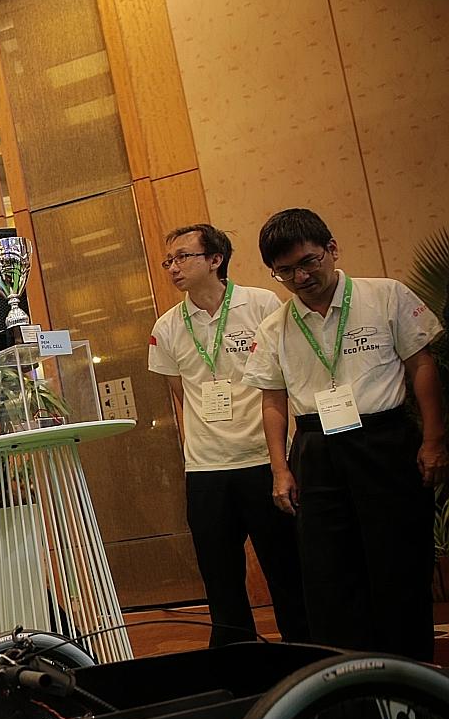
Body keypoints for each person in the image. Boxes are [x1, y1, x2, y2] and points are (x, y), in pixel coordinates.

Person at [243, 208, 446, 662]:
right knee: (329, 573)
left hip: (385, 441)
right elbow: (273, 401)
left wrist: (433, 440)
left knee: (398, 565)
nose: (300, 276)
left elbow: (422, 365)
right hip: (316, 448)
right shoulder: (275, 326)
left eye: (308, 261)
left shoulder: (385, 295)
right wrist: (280, 469)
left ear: (332, 249)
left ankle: (410, 673)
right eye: (285, 271)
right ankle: (350, 684)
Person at [147, 223, 308, 647]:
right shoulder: (167, 326)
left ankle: (304, 659)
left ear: (215, 260)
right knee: (220, 580)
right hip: (206, 470)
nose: (173, 267)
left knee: (287, 571)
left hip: (263, 461)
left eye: (183, 256)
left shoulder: (262, 304)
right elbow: (180, 394)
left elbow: (282, 380)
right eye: (169, 260)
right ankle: (237, 664)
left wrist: (282, 462)